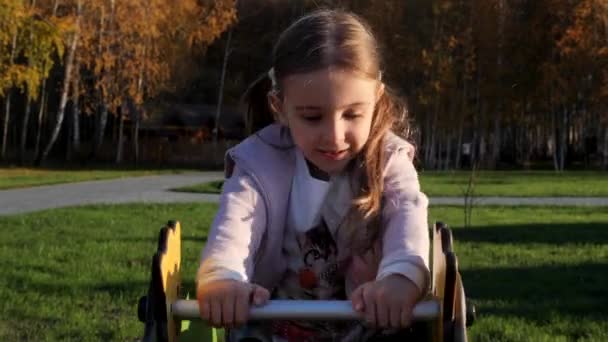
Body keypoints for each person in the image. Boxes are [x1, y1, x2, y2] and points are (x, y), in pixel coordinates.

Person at [196, 9, 430, 341]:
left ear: (376, 100)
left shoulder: (389, 160)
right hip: (276, 328)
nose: (334, 136)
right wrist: (224, 278)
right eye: (312, 117)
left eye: (352, 114)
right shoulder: (258, 162)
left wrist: (399, 279)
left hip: (371, 327)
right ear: (280, 106)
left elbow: (408, 219)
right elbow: (235, 226)